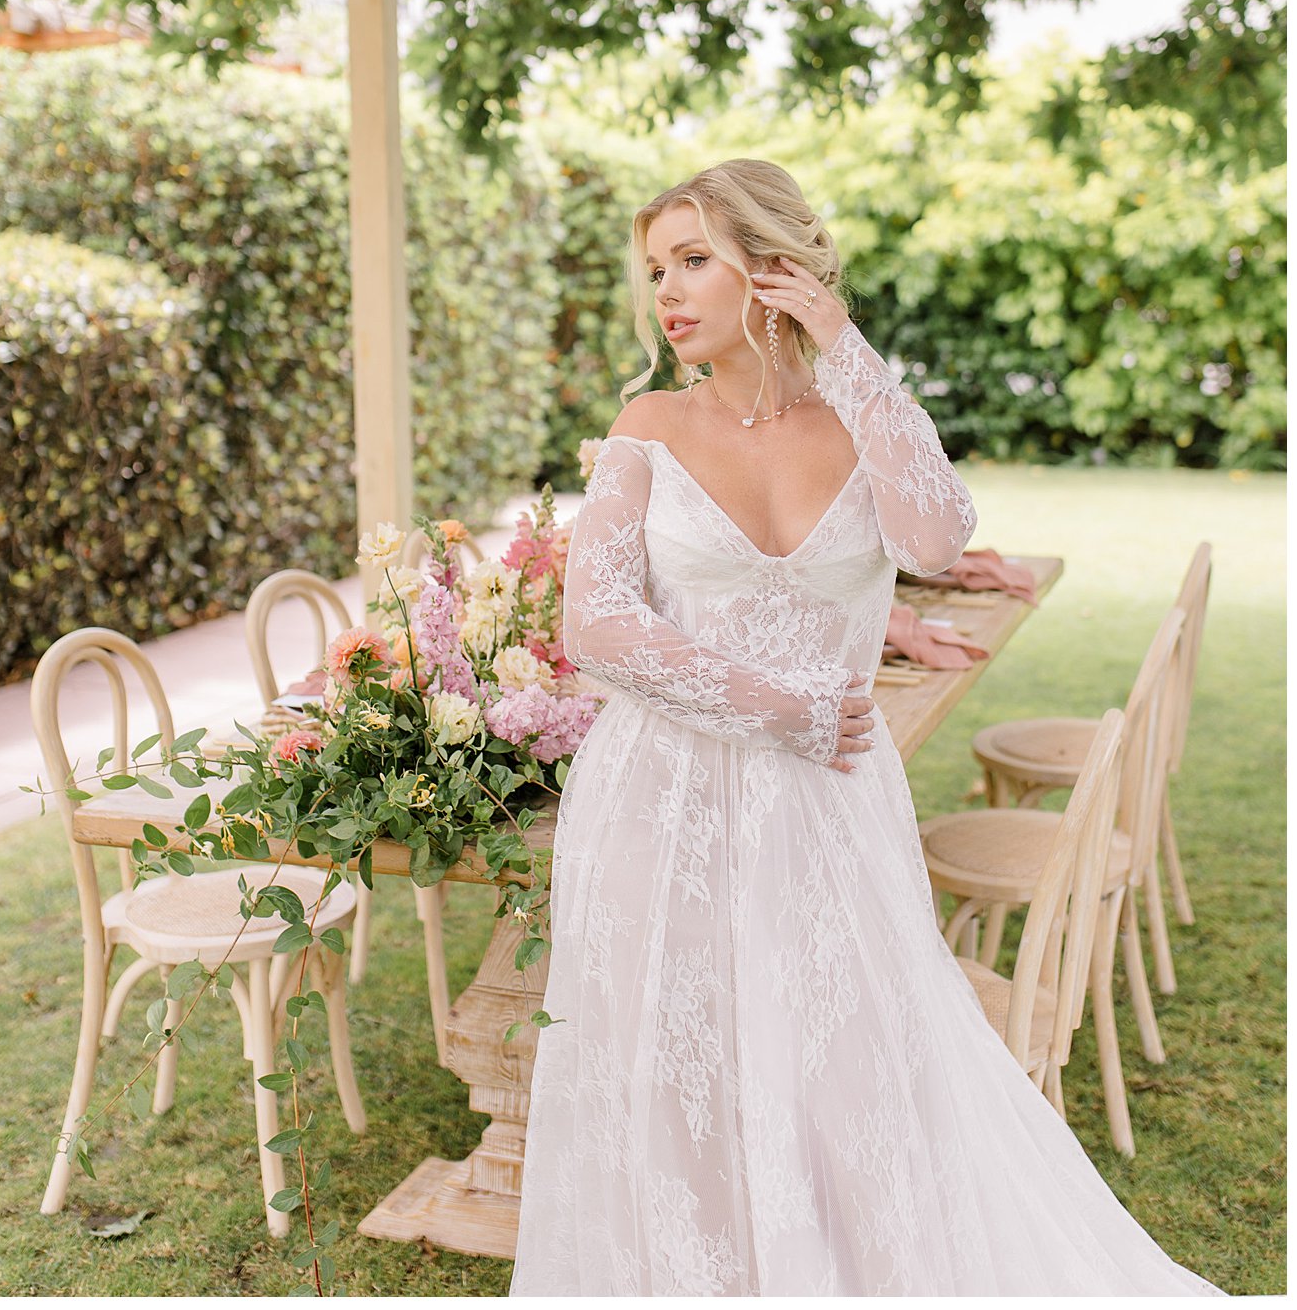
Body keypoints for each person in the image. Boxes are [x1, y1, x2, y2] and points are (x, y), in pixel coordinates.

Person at [509, 160, 1221, 1296]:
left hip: (828, 805)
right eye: (655, 269)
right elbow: (594, 627)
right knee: (673, 1068)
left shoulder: (858, 416)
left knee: (844, 1068)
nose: (668, 293)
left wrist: (846, 350)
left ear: (774, 268)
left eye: (694, 259)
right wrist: (777, 704)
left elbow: (935, 537)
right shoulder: (645, 424)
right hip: (662, 799)